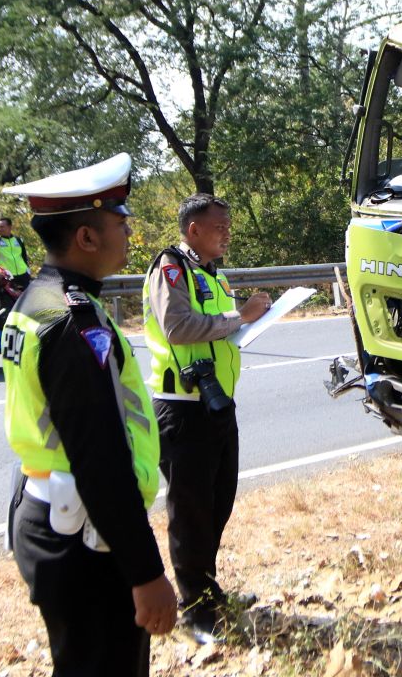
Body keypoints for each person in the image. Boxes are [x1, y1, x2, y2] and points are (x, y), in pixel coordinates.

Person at [0, 153, 177, 676]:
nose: (129, 233)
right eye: (120, 222)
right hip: (85, 538)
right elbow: (100, 459)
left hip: (54, 520)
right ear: (87, 238)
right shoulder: (72, 322)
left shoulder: (39, 299)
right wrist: (146, 574)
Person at [142, 193, 270, 642]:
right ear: (194, 229)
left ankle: (208, 590)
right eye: (220, 226)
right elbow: (177, 326)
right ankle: (195, 609)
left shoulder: (209, 271)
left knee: (218, 502)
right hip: (182, 409)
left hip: (216, 403)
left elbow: (217, 330)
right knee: (190, 511)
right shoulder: (170, 267)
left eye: (228, 225)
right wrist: (239, 316)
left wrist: (248, 321)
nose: (227, 233)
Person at [0, 216, 32, 289]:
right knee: (10, 300)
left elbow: (24, 257)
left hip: (23, 275)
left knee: (27, 299)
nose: (0, 229)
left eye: (2, 227)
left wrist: (27, 271)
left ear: (10, 227)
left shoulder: (19, 240)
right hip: (6, 276)